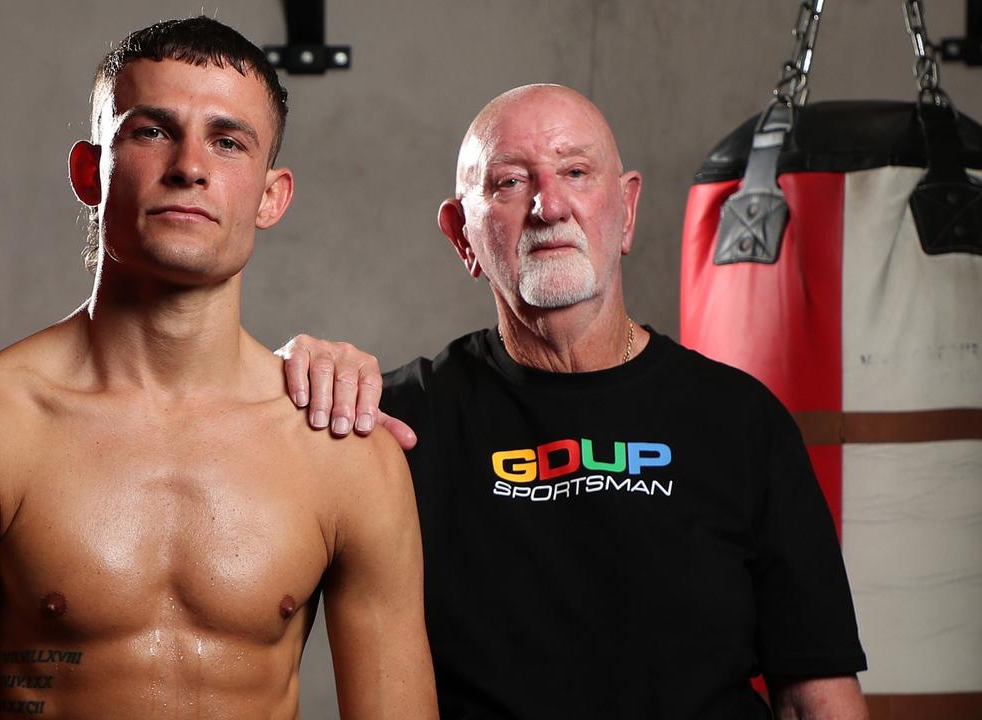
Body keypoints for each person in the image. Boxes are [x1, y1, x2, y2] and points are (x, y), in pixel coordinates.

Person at [0, 17, 436, 719]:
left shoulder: (348, 456)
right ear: (89, 171)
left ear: (271, 196)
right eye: (152, 131)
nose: (190, 166)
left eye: (228, 142)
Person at [281, 84, 868, 718]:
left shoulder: (742, 421)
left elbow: (818, 698)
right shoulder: (394, 423)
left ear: (627, 209)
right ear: (462, 236)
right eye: (508, 183)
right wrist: (280, 381)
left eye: (576, 172)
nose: (548, 205)